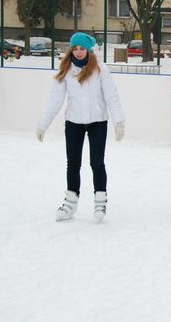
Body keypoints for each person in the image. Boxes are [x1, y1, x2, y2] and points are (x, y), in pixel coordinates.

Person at [36, 32, 125, 223]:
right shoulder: (66, 70)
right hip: (74, 122)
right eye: (75, 49)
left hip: (97, 122)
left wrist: (119, 122)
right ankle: (70, 202)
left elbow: (112, 97)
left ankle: (100, 201)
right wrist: (43, 125)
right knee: (73, 163)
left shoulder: (100, 69)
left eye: (81, 49)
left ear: (88, 49)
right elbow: (55, 99)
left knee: (97, 163)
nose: (78, 52)